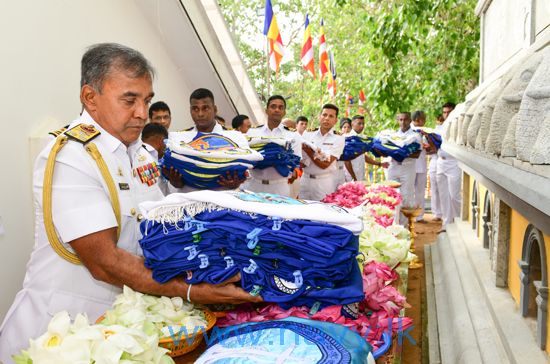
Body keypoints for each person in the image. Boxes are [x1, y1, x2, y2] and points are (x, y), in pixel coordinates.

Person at [0, 43, 260, 362]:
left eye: (147, 100)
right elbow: (105, 262)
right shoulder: (72, 156)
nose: (142, 113)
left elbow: (159, 229)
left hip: (122, 329)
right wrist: (192, 290)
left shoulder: (142, 152)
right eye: (130, 99)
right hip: (61, 334)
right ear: (90, 97)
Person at [167, 88, 250, 192]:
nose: (200, 114)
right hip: (190, 198)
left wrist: (236, 184)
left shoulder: (235, 137)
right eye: (195, 109)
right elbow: (175, 177)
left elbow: (245, 172)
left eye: (205, 108)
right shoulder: (178, 139)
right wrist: (176, 182)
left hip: (223, 198)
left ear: (215, 109)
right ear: (190, 110)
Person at [245, 95, 302, 197]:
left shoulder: (293, 135)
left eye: (281, 107)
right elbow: (247, 158)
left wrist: (265, 158)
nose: (277, 110)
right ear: (266, 110)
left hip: (280, 186)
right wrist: (276, 158)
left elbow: (295, 163)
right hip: (255, 185)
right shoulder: (253, 132)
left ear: (284, 112)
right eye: (273, 106)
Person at [301, 104, 345, 200]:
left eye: (331, 116)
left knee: (322, 212)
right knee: (302, 212)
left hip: (324, 182)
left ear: (335, 120)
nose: (326, 118)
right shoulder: (308, 133)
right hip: (305, 180)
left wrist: (309, 151)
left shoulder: (338, 138)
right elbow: (301, 160)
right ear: (319, 116)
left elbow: (325, 164)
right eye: (324, 115)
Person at [386, 112, 422, 225]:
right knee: (391, 195)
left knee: (406, 196)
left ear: (410, 120)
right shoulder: (392, 136)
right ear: (398, 120)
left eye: (405, 119)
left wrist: (399, 153)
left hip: (407, 168)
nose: (402, 122)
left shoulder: (416, 136)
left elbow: (417, 155)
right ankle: (393, 225)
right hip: (393, 167)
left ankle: (404, 226)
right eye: (400, 120)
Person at [436, 102, 461, 232]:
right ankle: (446, 223)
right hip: (441, 161)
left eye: (449, 112)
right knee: (444, 195)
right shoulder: (439, 128)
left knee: (454, 196)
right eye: (444, 112)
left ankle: (458, 222)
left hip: (454, 163)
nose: (446, 115)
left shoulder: (459, 127)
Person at [344, 115, 388, 182]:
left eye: (363, 124)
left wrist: (379, 164)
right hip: (350, 176)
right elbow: (346, 161)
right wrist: (354, 178)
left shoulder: (363, 138)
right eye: (359, 123)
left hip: (360, 175)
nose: (362, 126)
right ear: (352, 124)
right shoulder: (347, 138)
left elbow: (363, 157)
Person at [411, 110, 428, 222]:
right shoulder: (409, 130)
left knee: (420, 191)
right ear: (418, 120)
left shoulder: (424, 131)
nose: (425, 122)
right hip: (411, 164)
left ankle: (420, 216)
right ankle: (409, 214)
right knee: (409, 190)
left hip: (421, 164)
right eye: (423, 120)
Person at [428, 114, 444, 222]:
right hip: (434, 160)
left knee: (444, 188)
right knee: (434, 188)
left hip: (446, 160)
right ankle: (436, 212)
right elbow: (429, 149)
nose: (439, 121)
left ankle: (445, 213)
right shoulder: (433, 131)